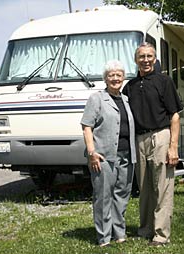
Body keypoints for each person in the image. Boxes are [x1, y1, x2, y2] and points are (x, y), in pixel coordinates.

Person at [122, 42, 183, 246]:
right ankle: (146, 228)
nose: (146, 60)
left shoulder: (164, 81)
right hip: (139, 140)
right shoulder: (129, 87)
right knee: (145, 188)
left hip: (161, 136)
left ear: (155, 59)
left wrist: (173, 147)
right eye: (142, 57)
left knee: (162, 187)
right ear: (136, 60)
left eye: (149, 56)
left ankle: (161, 234)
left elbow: (175, 116)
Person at [80, 60, 136, 247]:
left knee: (122, 195)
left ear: (123, 78)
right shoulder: (96, 98)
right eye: (111, 75)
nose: (115, 78)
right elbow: (87, 126)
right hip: (103, 156)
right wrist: (91, 152)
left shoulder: (126, 100)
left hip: (127, 155)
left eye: (118, 75)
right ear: (105, 78)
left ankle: (119, 232)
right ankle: (104, 237)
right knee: (103, 196)